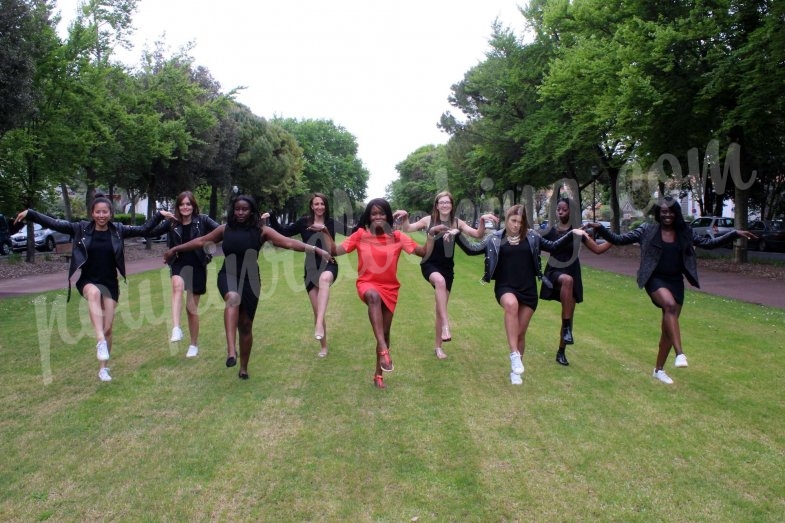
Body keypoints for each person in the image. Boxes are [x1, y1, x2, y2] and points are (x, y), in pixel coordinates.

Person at [588, 196, 757, 384]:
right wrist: (601, 229)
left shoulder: (684, 232)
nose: (667, 215)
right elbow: (618, 240)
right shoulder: (647, 230)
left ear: (676, 213)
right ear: (658, 214)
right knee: (669, 306)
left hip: (676, 282)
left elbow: (708, 244)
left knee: (668, 329)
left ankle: (658, 370)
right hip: (654, 278)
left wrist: (734, 234)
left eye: (670, 211)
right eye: (663, 212)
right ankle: (680, 354)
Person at [163, 195, 332, 380]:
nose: (240, 212)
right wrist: (175, 249)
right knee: (232, 298)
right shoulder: (224, 229)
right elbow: (201, 241)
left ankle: (243, 367)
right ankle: (230, 351)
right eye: (237, 209)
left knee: (245, 325)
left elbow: (289, 242)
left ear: (251, 211)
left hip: (251, 279)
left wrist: (316, 249)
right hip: (228, 273)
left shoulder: (261, 231)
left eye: (244, 209)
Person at [14, 195, 163, 382]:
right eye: (98, 211)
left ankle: (103, 368)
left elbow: (145, 229)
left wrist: (160, 215)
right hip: (88, 280)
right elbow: (55, 223)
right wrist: (31, 213)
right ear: (92, 213)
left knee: (109, 328)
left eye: (105, 212)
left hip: (110, 283)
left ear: (110, 213)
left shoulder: (118, 230)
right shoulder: (80, 229)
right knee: (93, 293)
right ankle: (99, 340)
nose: (101, 215)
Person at [459, 204, 588, 385]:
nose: (516, 225)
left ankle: (516, 372)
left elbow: (554, 246)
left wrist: (573, 233)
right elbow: (471, 249)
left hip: (528, 290)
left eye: (520, 222)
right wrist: (456, 235)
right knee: (511, 305)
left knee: (520, 333)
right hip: (505, 287)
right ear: (507, 220)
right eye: (513, 221)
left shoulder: (533, 237)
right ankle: (514, 355)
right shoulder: (496, 238)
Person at [326, 198, 426, 389]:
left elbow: (423, 252)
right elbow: (334, 250)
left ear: (388, 216)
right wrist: (324, 231)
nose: (378, 217)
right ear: (368, 217)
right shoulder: (360, 235)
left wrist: (433, 234)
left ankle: (378, 375)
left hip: (390, 288)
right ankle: (383, 349)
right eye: (374, 214)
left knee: (385, 332)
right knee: (373, 297)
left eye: (381, 213)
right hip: (367, 284)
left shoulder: (397, 237)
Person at [393, 192, 497, 359]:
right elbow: (407, 229)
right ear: (436, 205)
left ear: (451, 205)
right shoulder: (428, 220)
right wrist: (405, 217)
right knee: (439, 282)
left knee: (440, 308)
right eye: (441, 203)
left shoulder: (457, 222)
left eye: (447, 203)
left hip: (448, 269)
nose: (444, 205)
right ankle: (446, 326)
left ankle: (438, 347)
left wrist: (483, 221)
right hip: (429, 264)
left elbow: (477, 234)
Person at [264, 193, 339, 358]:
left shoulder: (331, 223)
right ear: (312, 206)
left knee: (324, 279)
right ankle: (324, 346)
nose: (319, 207)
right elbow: (284, 232)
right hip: (311, 269)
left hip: (329, 264)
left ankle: (318, 324)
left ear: (326, 206)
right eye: (316, 204)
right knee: (317, 310)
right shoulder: (303, 222)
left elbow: (354, 231)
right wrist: (272, 216)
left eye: (322, 204)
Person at [540, 198, 612, 366]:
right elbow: (537, 243)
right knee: (567, 280)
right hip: (555, 271)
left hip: (572, 270)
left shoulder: (578, 232)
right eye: (558, 209)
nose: (560, 212)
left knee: (569, 313)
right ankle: (566, 329)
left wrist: (613, 240)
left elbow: (598, 249)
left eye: (564, 210)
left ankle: (561, 351)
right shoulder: (551, 230)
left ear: (571, 212)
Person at [148, 191, 220, 358]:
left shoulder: (203, 220)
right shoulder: (172, 224)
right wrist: (159, 215)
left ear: (193, 205)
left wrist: (210, 246)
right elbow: (149, 232)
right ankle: (176, 328)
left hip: (198, 265)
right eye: (182, 204)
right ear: (178, 207)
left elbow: (222, 231)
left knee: (191, 309)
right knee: (177, 286)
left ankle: (193, 345)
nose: (185, 207)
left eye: (188, 204)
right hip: (179, 263)